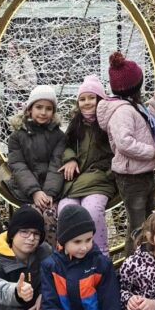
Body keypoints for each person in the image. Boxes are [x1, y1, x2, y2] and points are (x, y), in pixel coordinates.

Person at [97, 51, 155, 256]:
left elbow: (146, 122)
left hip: (143, 173)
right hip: (131, 177)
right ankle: (132, 266)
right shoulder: (122, 111)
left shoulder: (133, 106)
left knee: (148, 221)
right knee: (137, 226)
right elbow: (125, 143)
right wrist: (151, 152)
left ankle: (146, 261)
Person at [57, 75, 117, 255]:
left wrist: (108, 174)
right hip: (76, 180)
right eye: (82, 99)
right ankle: (69, 255)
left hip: (100, 179)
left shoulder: (108, 122)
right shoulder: (77, 124)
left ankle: (100, 255)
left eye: (91, 98)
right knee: (65, 210)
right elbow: (66, 145)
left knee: (92, 210)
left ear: (100, 99)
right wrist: (70, 159)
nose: (87, 102)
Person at [40, 204, 124, 310]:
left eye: (89, 239)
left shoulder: (102, 265)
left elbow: (111, 307)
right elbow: (51, 308)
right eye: (77, 242)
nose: (84, 247)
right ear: (63, 241)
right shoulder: (50, 267)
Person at [6, 84, 67, 248]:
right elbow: (18, 165)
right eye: (39, 107)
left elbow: (56, 165)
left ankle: (50, 255)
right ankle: (26, 255)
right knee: (31, 218)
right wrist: (34, 191)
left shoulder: (59, 136)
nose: (43, 112)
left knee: (50, 215)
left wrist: (48, 193)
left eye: (48, 108)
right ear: (29, 109)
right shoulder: (17, 136)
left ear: (53, 112)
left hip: (50, 192)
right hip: (27, 190)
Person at [0, 206, 52, 310]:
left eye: (36, 233)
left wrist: (44, 296)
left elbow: (52, 280)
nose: (31, 238)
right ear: (12, 234)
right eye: (25, 232)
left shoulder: (45, 251)